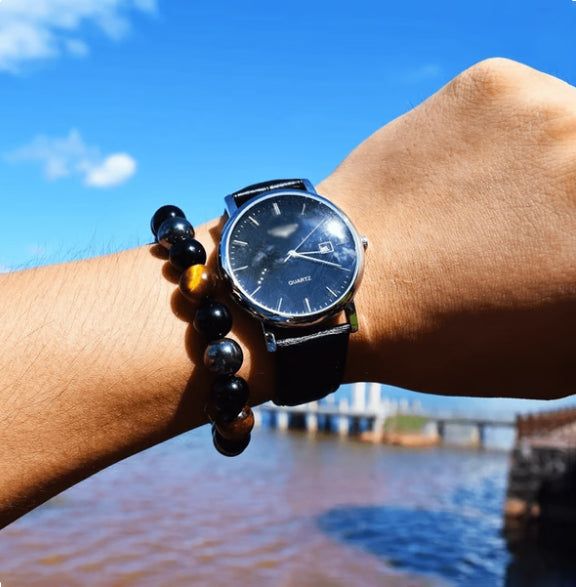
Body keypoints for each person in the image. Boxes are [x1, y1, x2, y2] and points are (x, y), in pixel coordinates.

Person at [0, 57, 575, 528]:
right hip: (273, 315)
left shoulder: (334, 266)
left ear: (357, 246)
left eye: (310, 249)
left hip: (308, 314)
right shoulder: (241, 268)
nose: (297, 256)